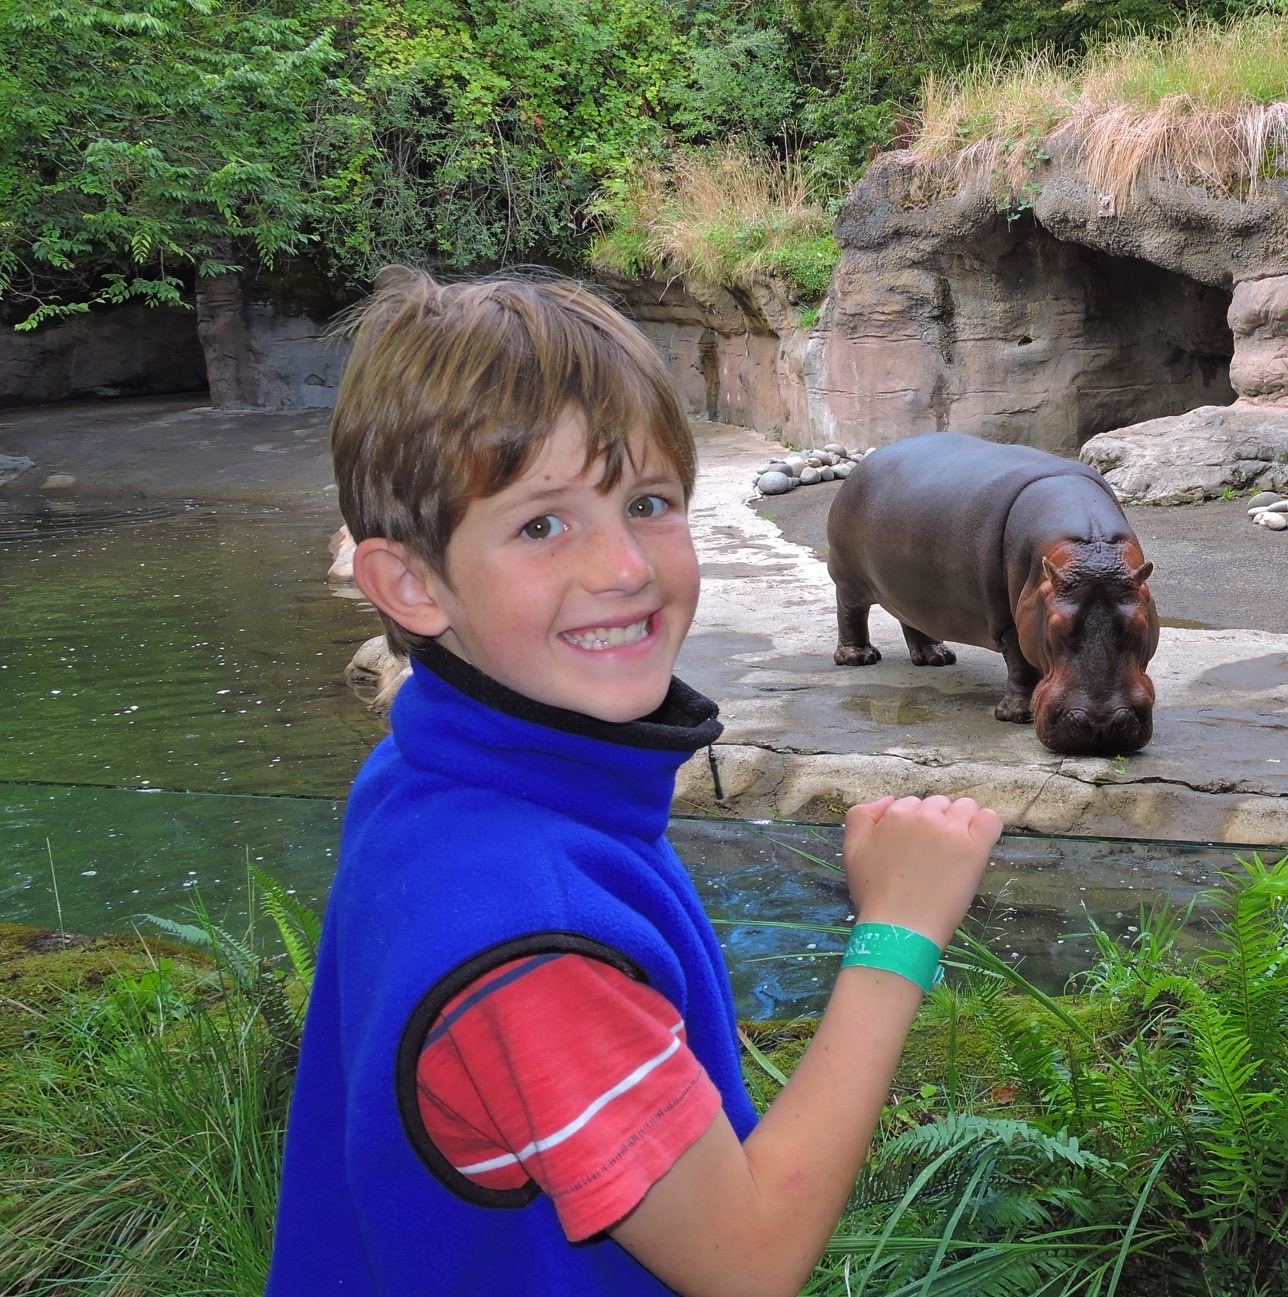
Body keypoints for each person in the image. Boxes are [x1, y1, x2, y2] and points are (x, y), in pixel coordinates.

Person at [266, 268, 1001, 1296]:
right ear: (411, 585)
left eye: (648, 502)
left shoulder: (426, 772)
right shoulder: (534, 942)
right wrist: (898, 932)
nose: (622, 565)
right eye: (540, 523)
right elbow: (746, 1261)